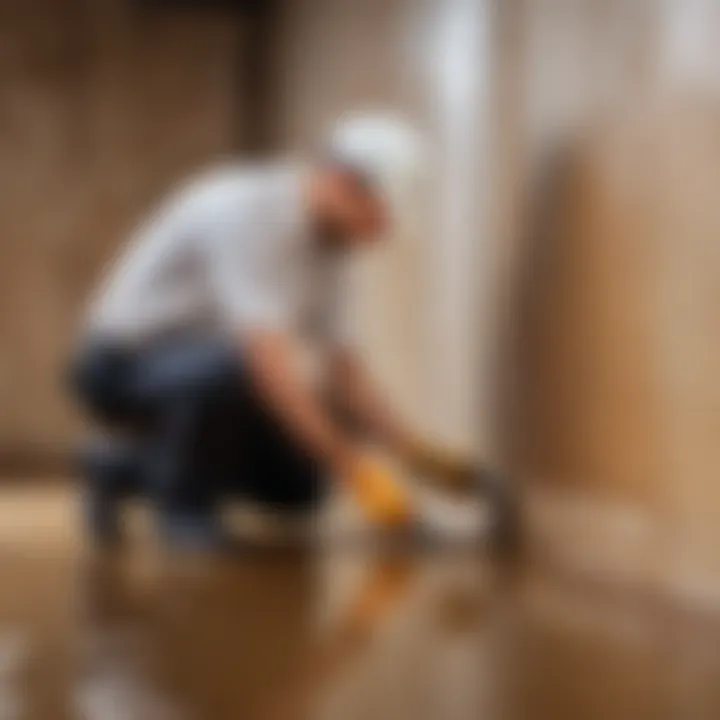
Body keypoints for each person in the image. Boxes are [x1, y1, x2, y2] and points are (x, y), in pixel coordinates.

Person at [71, 113, 473, 549]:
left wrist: (413, 452)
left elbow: (345, 374)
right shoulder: (244, 209)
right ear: (341, 182)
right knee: (239, 372)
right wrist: (356, 471)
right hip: (120, 365)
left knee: (301, 486)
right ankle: (184, 515)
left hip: (209, 368)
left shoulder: (330, 251)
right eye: (378, 215)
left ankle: (122, 469)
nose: (380, 233)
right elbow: (266, 362)